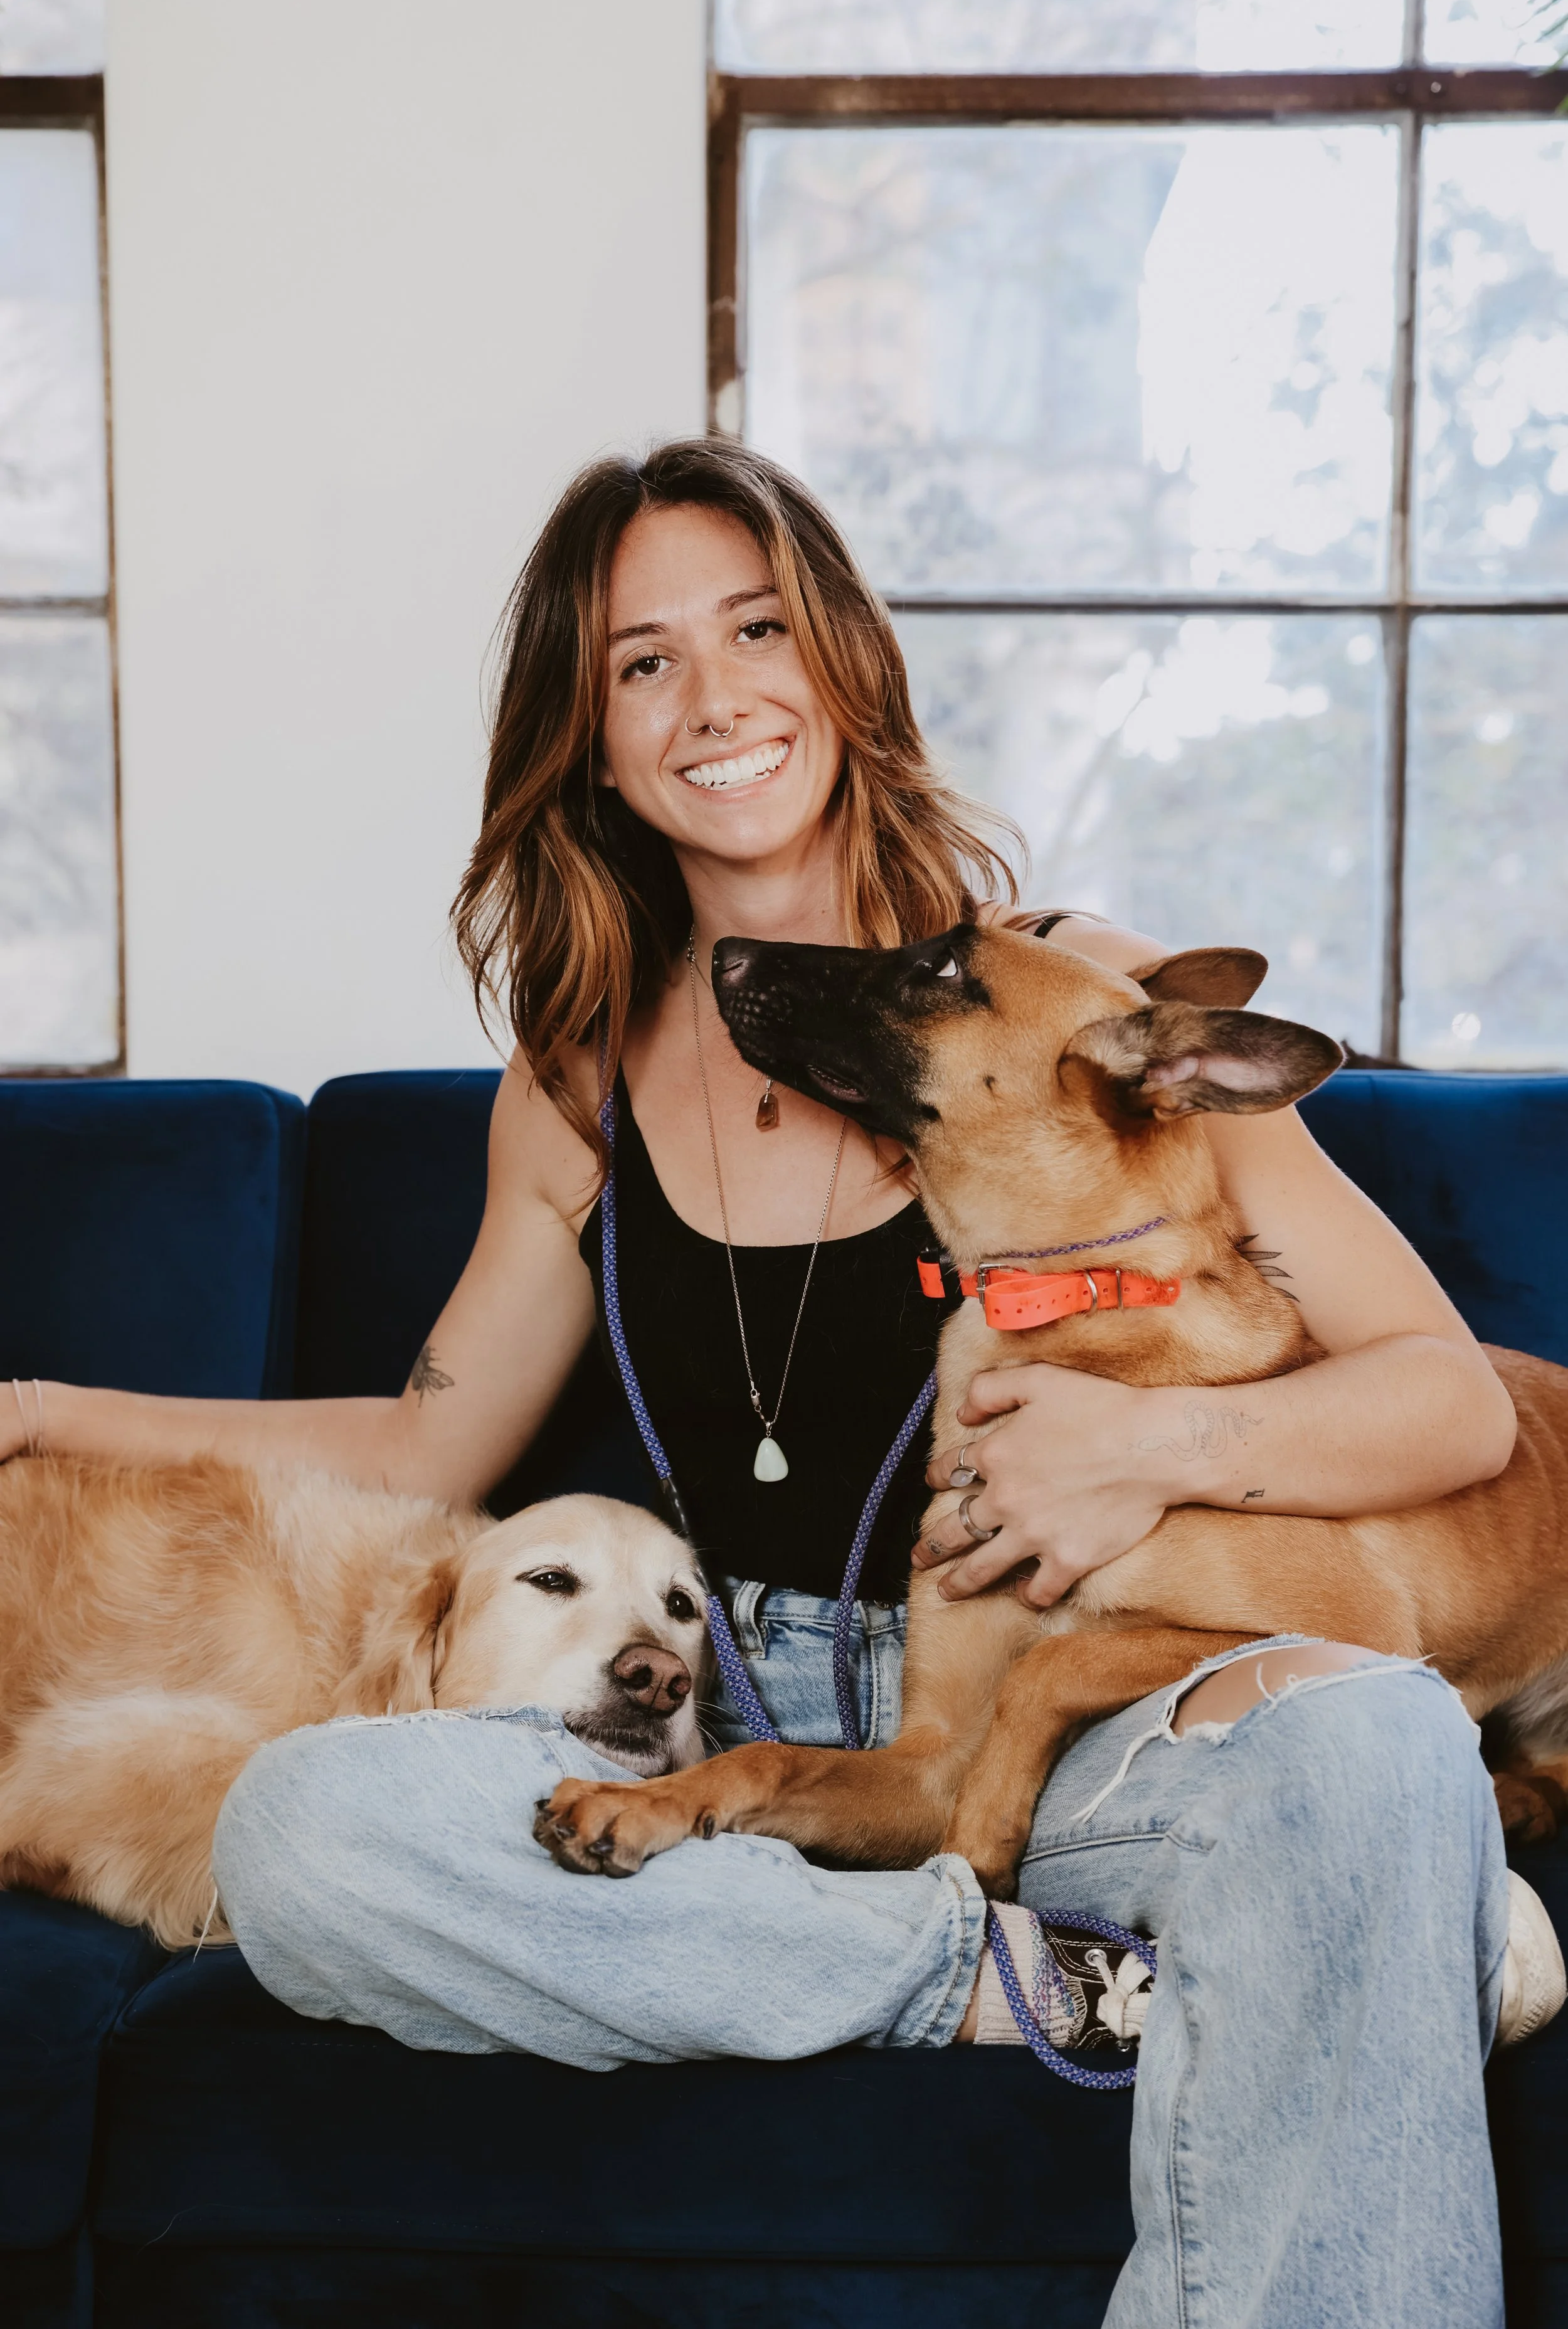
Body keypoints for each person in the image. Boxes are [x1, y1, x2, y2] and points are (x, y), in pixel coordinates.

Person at [3, 439, 1534, 2325]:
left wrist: (1146, 1439)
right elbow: (419, 1441)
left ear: (842, 660)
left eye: (754, 628)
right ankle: (978, 1975)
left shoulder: (1074, 1005)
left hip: (1068, 1700)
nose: (714, 696)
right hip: (725, 1726)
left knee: (1374, 1746)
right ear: (593, 733)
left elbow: (1448, 1402)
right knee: (302, 1830)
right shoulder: (575, 1084)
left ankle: (1247, 1911)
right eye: (643, 661)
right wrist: (34, 1407)